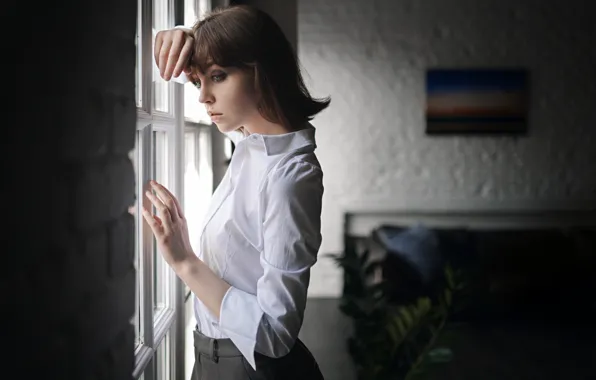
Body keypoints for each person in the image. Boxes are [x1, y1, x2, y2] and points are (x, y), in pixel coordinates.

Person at [142, 4, 330, 380]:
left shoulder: (289, 176)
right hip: (210, 359)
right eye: (199, 82)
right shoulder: (251, 140)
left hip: (248, 368)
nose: (203, 97)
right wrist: (172, 37)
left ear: (262, 71)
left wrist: (184, 261)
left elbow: (276, 334)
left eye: (218, 77)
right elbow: (180, 68)